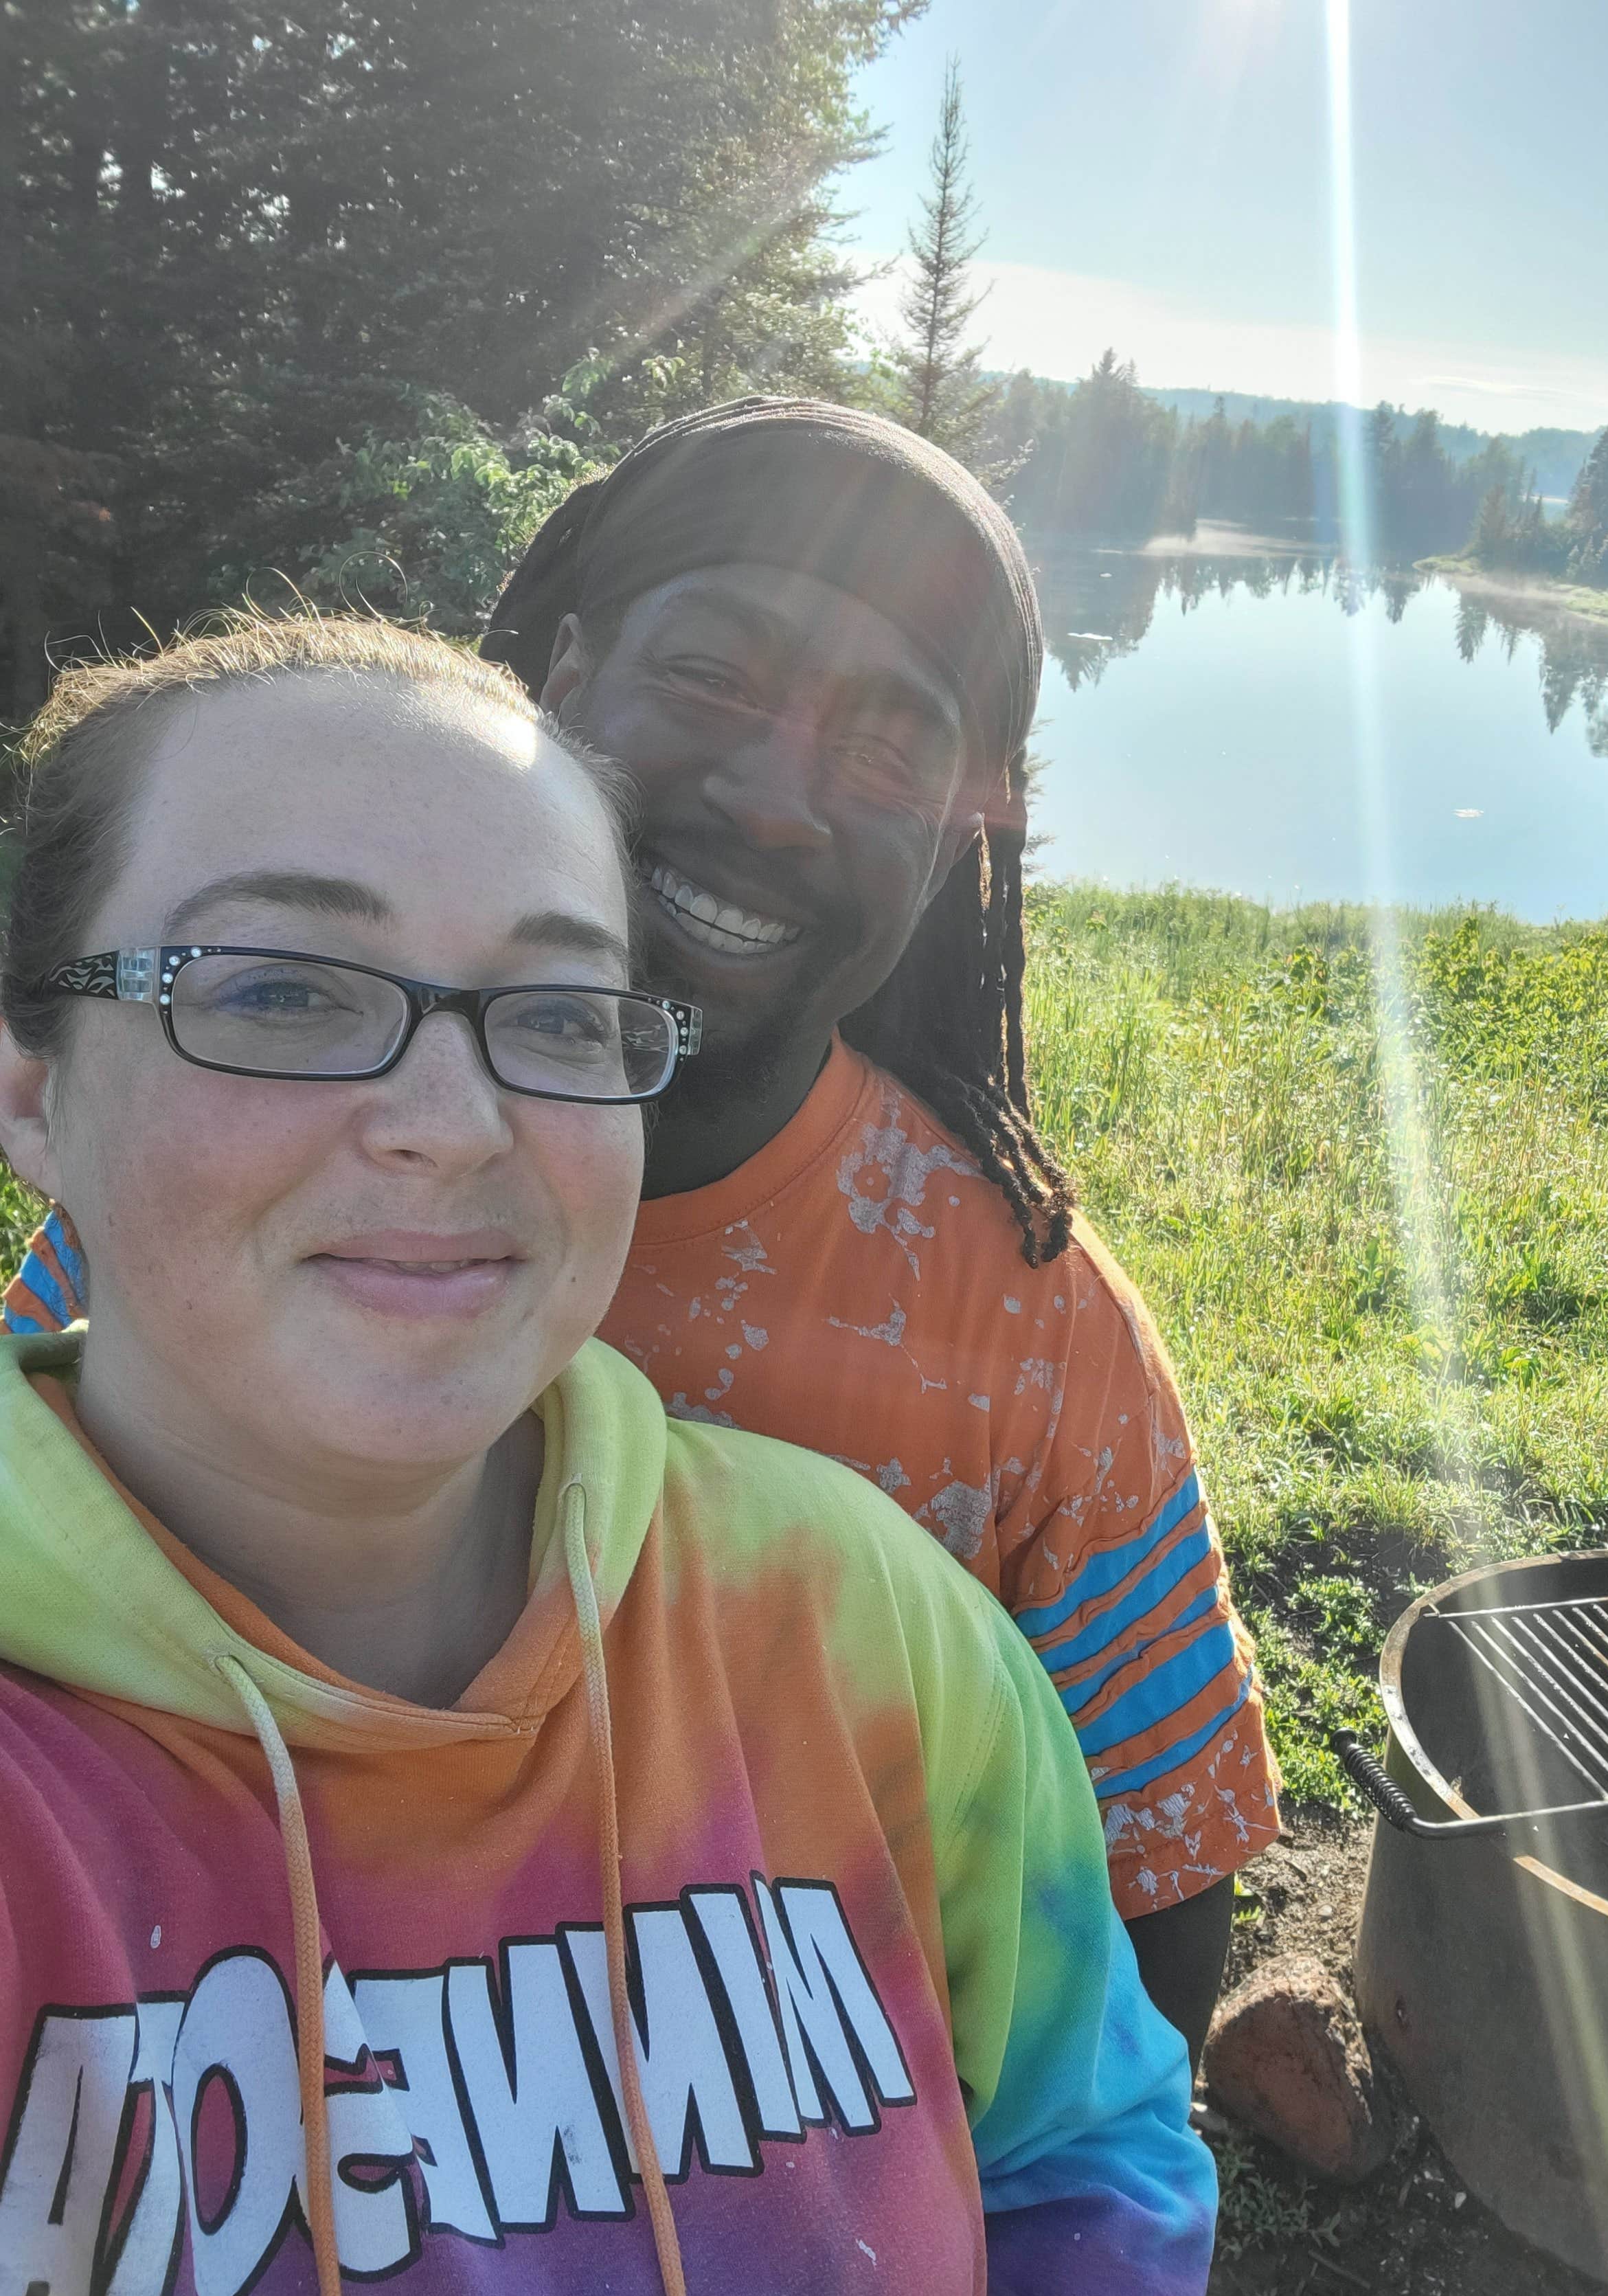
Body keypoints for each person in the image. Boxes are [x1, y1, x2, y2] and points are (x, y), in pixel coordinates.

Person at [0, 616, 1219, 2296]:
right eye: (284, 990)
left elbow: (1084, 2141)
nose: (447, 1124)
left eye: (557, 1015)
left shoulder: (850, 1617)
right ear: (27, 1079)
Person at [5, 402, 1284, 2064]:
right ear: (559, 672)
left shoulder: (1029, 1338)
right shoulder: (218, 1166)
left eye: (891, 745)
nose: (774, 798)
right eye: (708, 678)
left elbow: (1146, 1906)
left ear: (966, 826)